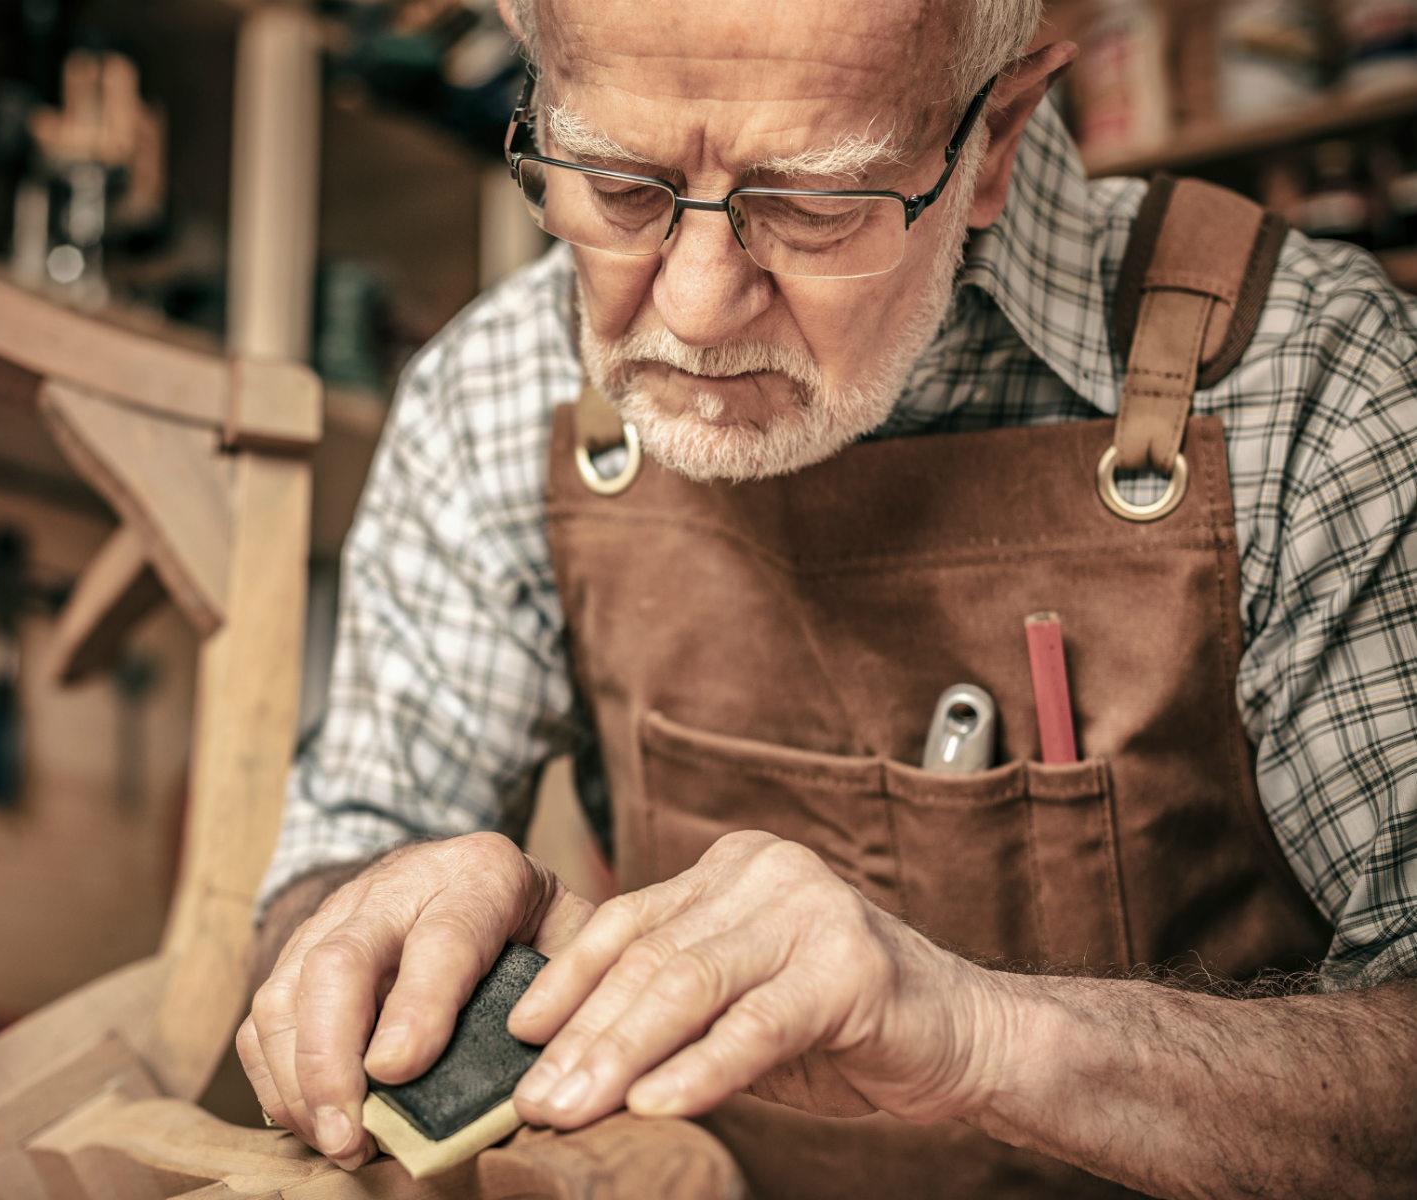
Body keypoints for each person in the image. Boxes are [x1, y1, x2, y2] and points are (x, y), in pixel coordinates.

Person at [237, 1, 1417, 1195]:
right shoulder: (494, 395)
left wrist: (985, 1038)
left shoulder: (1312, 384)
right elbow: (334, 865)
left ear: (996, 135)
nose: (693, 310)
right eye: (618, 185)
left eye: (808, 206)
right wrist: (356, 934)